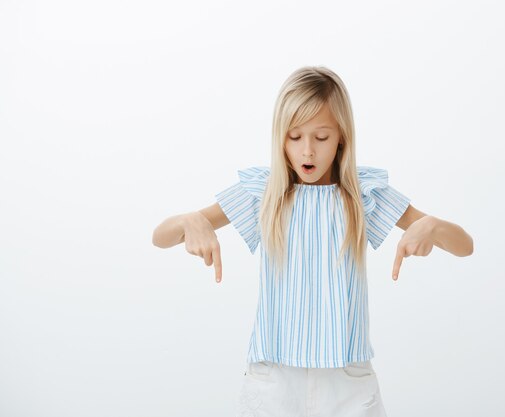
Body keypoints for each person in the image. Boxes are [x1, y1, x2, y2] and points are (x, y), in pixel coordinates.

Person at [152, 65, 474, 417]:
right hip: (274, 379)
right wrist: (191, 220)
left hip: (348, 381)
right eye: (294, 137)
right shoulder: (265, 191)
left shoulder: (362, 194)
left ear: (341, 139)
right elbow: (160, 237)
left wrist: (431, 226)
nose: (307, 152)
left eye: (321, 138)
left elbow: (465, 245)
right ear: (280, 138)